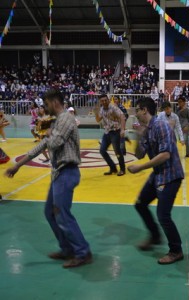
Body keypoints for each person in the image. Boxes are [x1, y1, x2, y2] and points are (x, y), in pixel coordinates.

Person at [5, 89, 92, 268]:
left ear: (54, 102)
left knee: (62, 215)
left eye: (45, 104)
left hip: (67, 172)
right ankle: (67, 249)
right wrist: (18, 165)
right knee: (50, 213)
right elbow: (41, 146)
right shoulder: (57, 122)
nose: (44, 108)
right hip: (59, 173)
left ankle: (82, 252)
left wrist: (46, 133)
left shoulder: (66, 119)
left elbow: (53, 142)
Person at [128, 97, 184, 265]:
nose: (135, 113)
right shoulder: (148, 129)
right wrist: (138, 136)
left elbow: (166, 154)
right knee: (140, 203)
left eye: (137, 110)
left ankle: (176, 250)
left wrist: (141, 167)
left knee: (163, 215)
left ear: (145, 110)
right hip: (158, 174)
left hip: (171, 175)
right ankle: (155, 236)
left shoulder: (160, 125)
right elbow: (139, 154)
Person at [94, 94, 126, 176]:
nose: (104, 102)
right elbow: (98, 120)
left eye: (105, 100)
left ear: (108, 100)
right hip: (107, 132)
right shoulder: (101, 109)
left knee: (117, 151)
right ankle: (113, 168)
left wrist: (122, 129)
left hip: (115, 131)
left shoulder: (113, 107)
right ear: (100, 102)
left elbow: (122, 117)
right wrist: (96, 112)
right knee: (102, 150)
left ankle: (122, 169)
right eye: (102, 101)